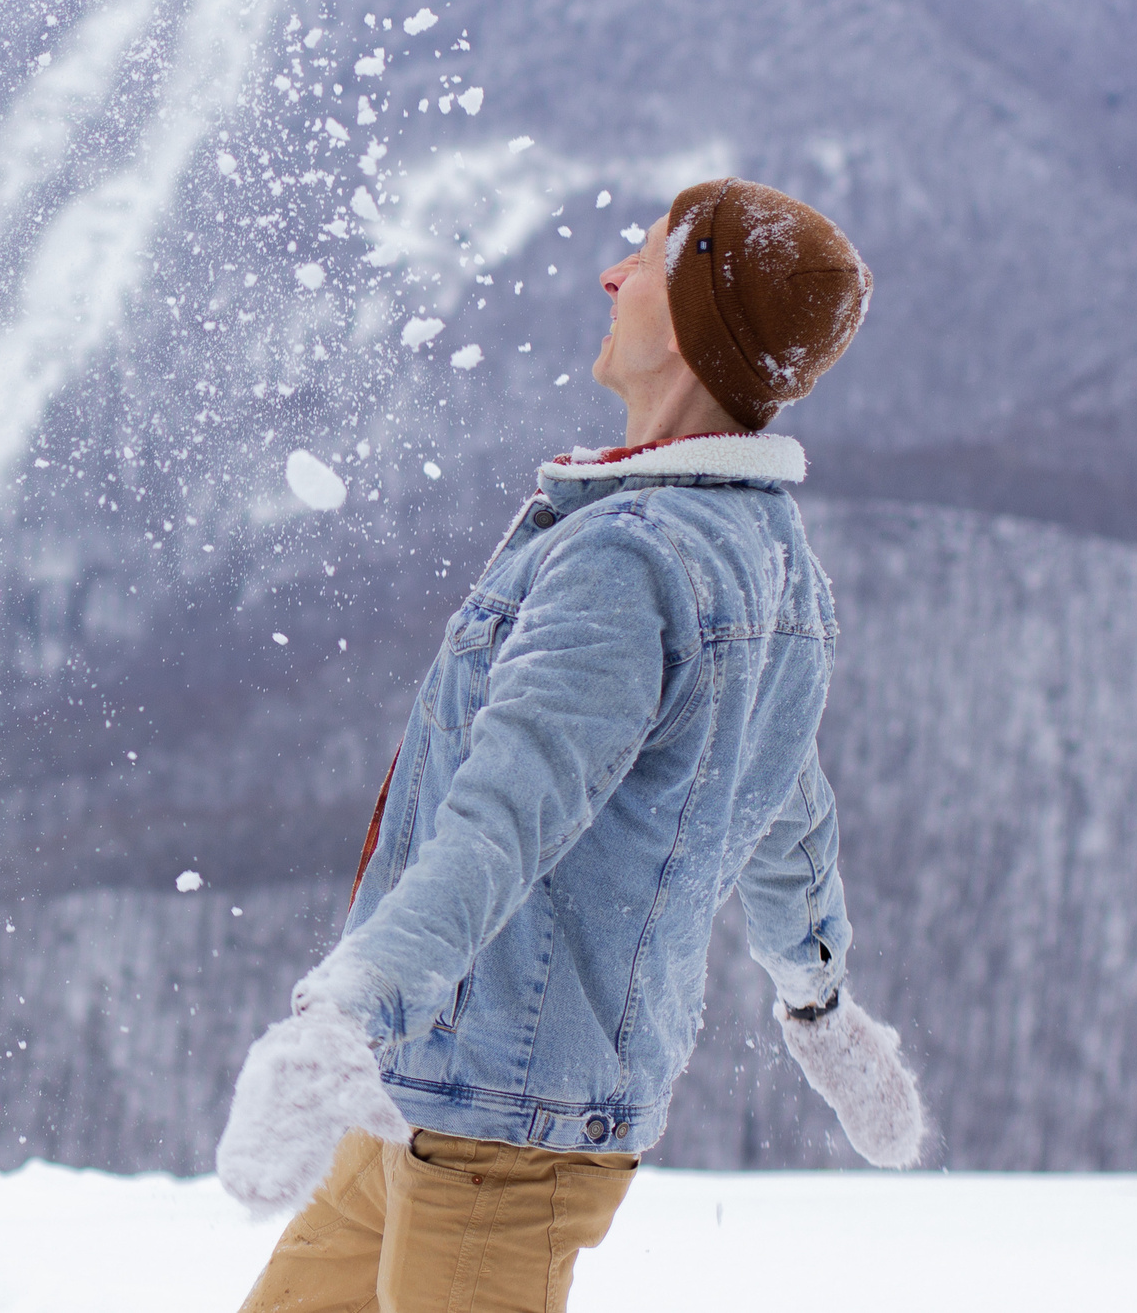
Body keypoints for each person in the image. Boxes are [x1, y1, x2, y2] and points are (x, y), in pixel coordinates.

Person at [215, 180, 924, 1313]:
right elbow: (785, 801)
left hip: (502, 1121)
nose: (610, 276)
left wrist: (346, 1006)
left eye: (643, 260)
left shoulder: (625, 561)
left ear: (700, 320)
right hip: (432, 1092)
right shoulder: (768, 556)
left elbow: (507, 816)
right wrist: (818, 1000)